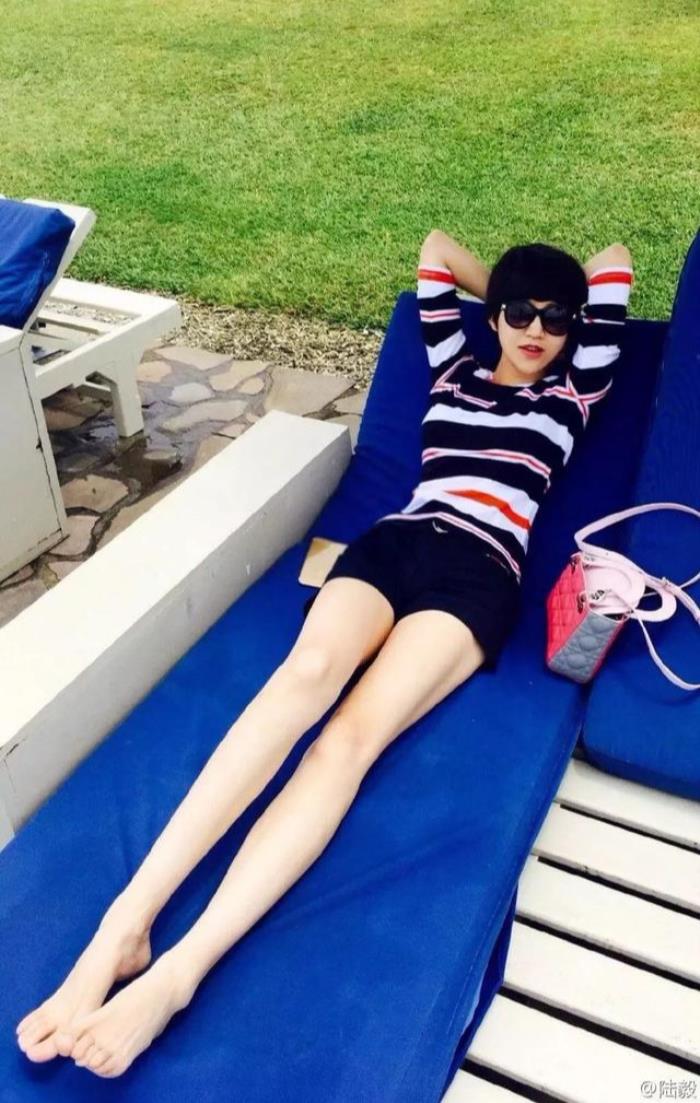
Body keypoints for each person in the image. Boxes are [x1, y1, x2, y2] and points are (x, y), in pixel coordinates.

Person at [16, 229, 633, 1078]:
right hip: (395, 542)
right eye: (519, 312)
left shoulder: (574, 389)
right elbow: (435, 251)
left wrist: (537, 300)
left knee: (349, 738)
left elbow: (614, 262)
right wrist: (504, 295)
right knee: (299, 680)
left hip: (480, 571)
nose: (536, 329)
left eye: (557, 317)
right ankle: (124, 925)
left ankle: (180, 972)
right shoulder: (454, 364)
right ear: (491, 314)